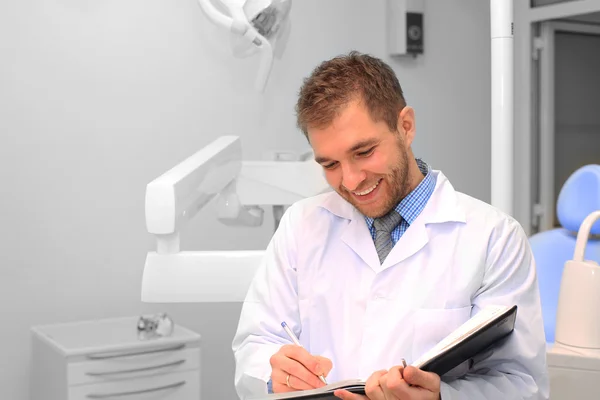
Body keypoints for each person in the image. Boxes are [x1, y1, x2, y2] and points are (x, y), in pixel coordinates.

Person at [231, 51, 549, 400]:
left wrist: (442, 397)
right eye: (331, 164)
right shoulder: (300, 225)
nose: (351, 181)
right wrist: (272, 371)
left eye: (364, 152)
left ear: (406, 126)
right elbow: (256, 343)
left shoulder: (493, 238)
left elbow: (522, 384)